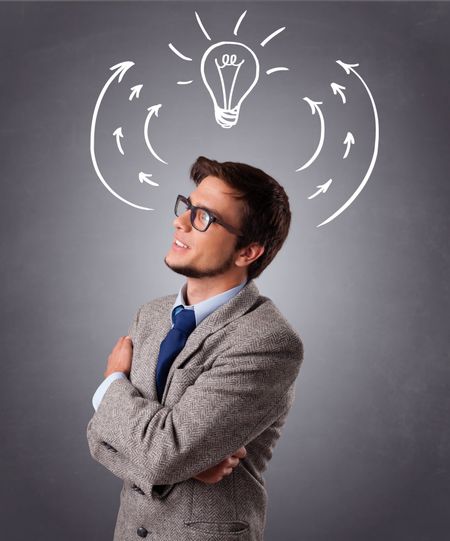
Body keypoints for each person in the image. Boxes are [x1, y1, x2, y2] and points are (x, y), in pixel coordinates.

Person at [86, 156, 304, 541]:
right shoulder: (150, 315)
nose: (180, 221)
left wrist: (110, 386)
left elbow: (160, 453)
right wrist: (180, 464)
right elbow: (97, 439)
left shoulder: (268, 343)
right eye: (187, 206)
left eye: (204, 217)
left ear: (247, 252)